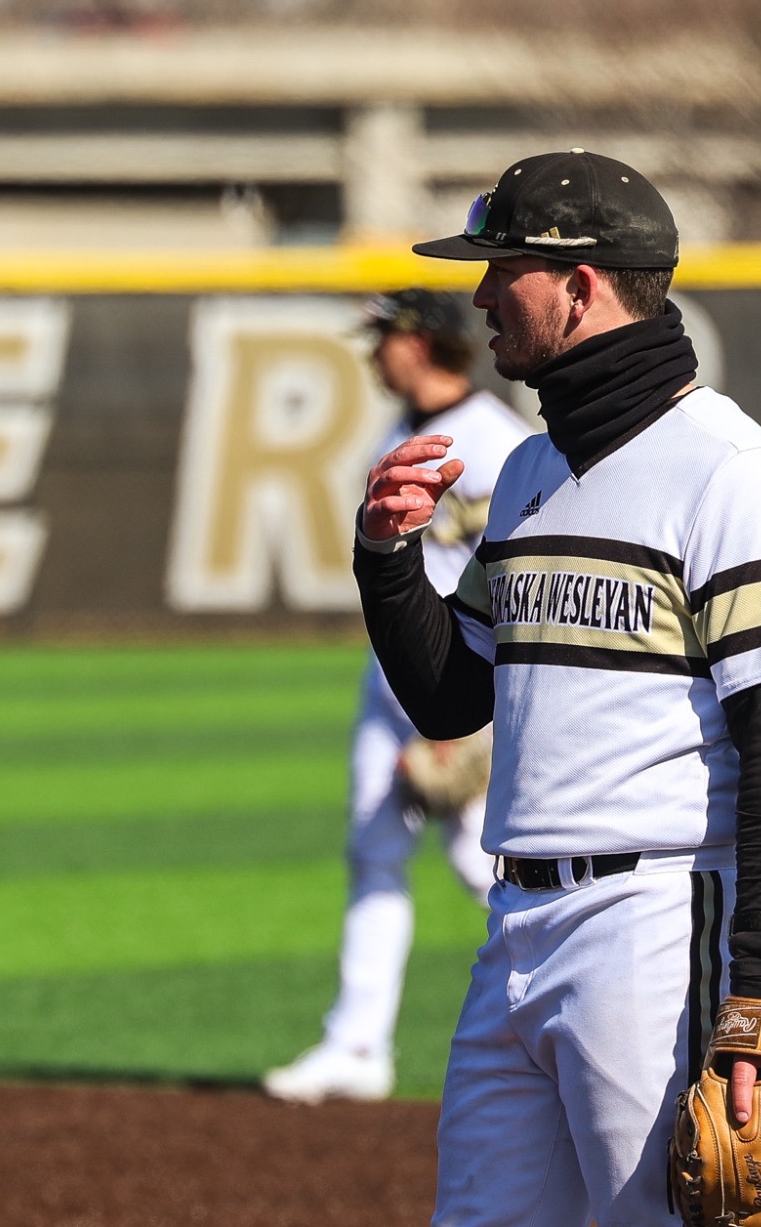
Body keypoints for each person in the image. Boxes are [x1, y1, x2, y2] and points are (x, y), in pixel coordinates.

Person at [353, 151, 761, 1225]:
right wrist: (386, 560)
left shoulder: (733, 474)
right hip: (515, 925)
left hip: (653, 924)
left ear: (579, 286)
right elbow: (453, 698)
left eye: (504, 269)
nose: (482, 295)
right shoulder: (530, 471)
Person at [264, 288, 532, 1105]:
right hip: (389, 688)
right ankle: (356, 1045)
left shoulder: (500, 443)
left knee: (485, 864)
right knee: (374, 852)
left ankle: (562, 1019)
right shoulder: (396, 434)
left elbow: (522, 584)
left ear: (422, 342)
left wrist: (480, 726)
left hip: (463, 695)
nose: (373, 352)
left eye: (383, 337)